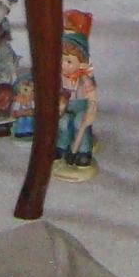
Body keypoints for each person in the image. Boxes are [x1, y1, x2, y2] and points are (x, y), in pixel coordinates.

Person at [52, 11, 98, 181]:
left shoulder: (84, 79)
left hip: (81, 108)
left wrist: (91, 110)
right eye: (62, 60)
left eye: (69, 61)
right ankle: (61, 147)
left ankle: (83, 152)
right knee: (63, 123)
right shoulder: (60, 77)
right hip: (66, 108)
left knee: (80, 123)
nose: (64, 65)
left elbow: (92, 98)